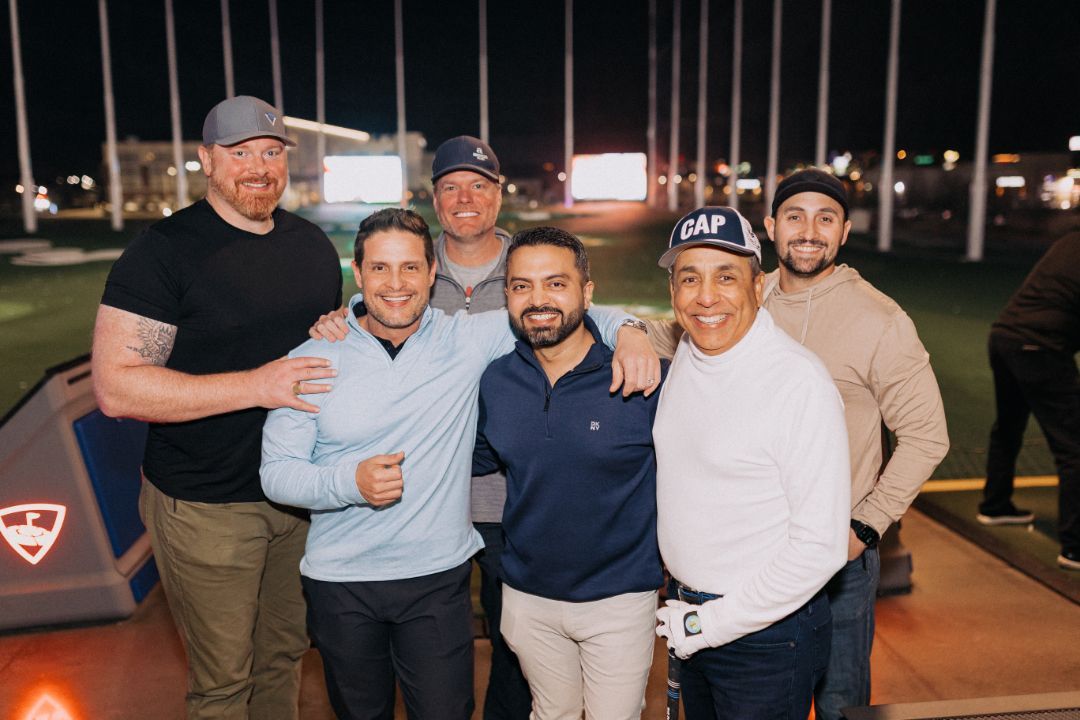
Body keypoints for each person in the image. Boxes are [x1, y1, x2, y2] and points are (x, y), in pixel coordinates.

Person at [261, 208, 657, 720]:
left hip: (438, 577)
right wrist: (348, 481)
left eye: (410, 267)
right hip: (340, 581)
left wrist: (631, 330)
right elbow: (277, 472)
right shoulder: (313, 356)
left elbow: (556, 310)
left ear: (432, 272)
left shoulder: (467, 338)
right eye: (380, 268)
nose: (396, 283)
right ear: (357, 273)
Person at [91, 95, 343, 720]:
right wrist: (256, 386)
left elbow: (316, 351)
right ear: (207, 160)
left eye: (270, 151)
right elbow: (117, 388)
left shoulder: (312, 246)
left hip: (296, 497)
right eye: (240, 153)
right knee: (224, 684)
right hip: (205, 504)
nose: (258, 167)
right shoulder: (162, 252)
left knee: (283, 657)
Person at [760, 169, 950, 719]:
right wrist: (627, 331)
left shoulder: (879, 318)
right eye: (795, 216)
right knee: (760, 700)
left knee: (840, 704)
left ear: (844, 232)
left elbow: (927, 435)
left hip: (836, 555)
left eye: (826, 218)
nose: (808, 231)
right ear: (771, 227)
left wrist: (865, 526)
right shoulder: (746, 298)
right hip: (753, 547)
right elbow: (672, 337)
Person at [653, 206, 850, 720]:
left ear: (758, 287)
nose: (706, 297)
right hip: (691, 616)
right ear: (673, 291)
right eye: (689, 278)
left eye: (726, 277)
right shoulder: (690, 352)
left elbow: (820, 548)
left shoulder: (799, 383)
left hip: (766, 637)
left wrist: (709, 624)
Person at [473, 227, 666, 720]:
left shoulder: (642, 376)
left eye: (556, 284)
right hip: (527, 597)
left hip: (619, 599)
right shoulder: (496, 381)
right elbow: (467, 459)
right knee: (549, 713)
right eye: (522, 286)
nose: (538, 300)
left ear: (587, 292)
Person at [430, 135, 531, 719]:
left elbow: (588, 315)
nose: (465, 198)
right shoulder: (409, 268)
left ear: (498, 194)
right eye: (451, 187)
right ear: (434, 198)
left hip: (510, 496)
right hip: (426, 496)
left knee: (514, 641)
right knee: (433, 649)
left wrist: (633, 331)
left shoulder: (531, 264)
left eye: (478, 185)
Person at [979, 231, 1080, 571]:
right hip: (1039, 348)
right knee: (1074, 447)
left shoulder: (1070, 241)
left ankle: (995, 505)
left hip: (1004, 338)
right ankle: (1075, 547)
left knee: (1008, 428)